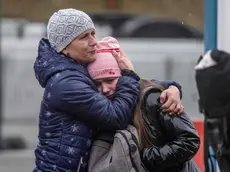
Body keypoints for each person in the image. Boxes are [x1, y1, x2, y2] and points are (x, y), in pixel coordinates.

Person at [33, 9, 183, 172]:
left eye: (92, 33)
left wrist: (171, 88)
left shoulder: (76, 70)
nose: (93, 42)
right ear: (64, 48)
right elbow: (116, 117)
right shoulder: (66, 83)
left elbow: (126, 85)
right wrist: (129, 75)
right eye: (84, 37)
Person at [87, 36, 200, 172]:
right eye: (97, 83)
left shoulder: (152, 98)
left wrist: (142, 159)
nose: (104, 89)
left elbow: (189, 140)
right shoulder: (101, 108)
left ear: (124, 76)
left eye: (110, 80)